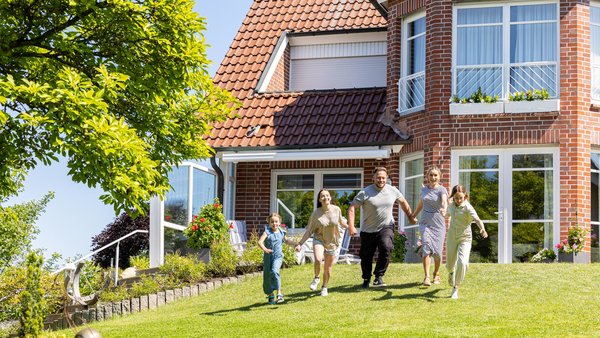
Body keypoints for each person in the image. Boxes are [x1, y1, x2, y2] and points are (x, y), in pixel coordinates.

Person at [348, 167, 417, 288]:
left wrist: (410, 217)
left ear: (387, 178)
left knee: (386, 247)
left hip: (386, 226)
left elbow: (404, 203)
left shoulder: (393, 190)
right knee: (366, 256)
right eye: (378, 177)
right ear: (373, 178)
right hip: (368, 230)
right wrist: (351, 226)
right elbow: (352, 208)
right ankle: (366, 278)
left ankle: (378, 276)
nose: (381, 180)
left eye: (383, 178)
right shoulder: (365, 192)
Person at [295, 189, 348, 296]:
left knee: (328, 269)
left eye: (327, 195)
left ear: (330, 197)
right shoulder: (316, 213)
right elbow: (309, 231)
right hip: (319, 239)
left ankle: (324, 287)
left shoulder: (336, 209)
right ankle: (316, 277)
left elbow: (341, 222)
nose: (325, 198)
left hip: (332, 242)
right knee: (318, 259)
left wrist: (350, 228)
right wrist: (300, 243)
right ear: (319, 199)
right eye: (322, 196)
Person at [445, 185, 487, 299]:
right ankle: (451, 272)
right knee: (450, 264)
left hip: (465, 237)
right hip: (452, 237)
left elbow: (477, 219)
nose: (458, 200)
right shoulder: (451, 206)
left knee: (463, 262)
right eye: (456, 198)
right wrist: (442, 213)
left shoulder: (468, 208)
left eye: (460, 198)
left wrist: (482, 228)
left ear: (465, 196)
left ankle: (455, 288)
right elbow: (446, 215)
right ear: (453, 197)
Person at [411, 166, 448, 287]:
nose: (433, 177)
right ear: (427, 176)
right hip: (425, 223)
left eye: (435, 175)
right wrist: (413, 215)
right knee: (426, 247)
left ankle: (436, 273)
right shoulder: (424, 190)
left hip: (438, 223)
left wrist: (444, 209)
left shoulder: (442, 189)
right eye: (431, 175)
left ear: (439, 176)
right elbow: (421, 203)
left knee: (437, 252)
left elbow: (444, 201)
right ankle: (426, 276)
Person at [258, 213, 296, 304]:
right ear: (269, 223)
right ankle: (270, 294)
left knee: (275, 271)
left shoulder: (281, 232)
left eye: (276, 222)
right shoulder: (267, 232)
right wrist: (265, 249)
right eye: (272, 222)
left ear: (279, 222)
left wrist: (296, 243)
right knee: (267, 276)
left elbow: (286, 241)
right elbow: (260, 242)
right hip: (268, 257)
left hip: (278, 256)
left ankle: (279, 293)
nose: (274, 224)